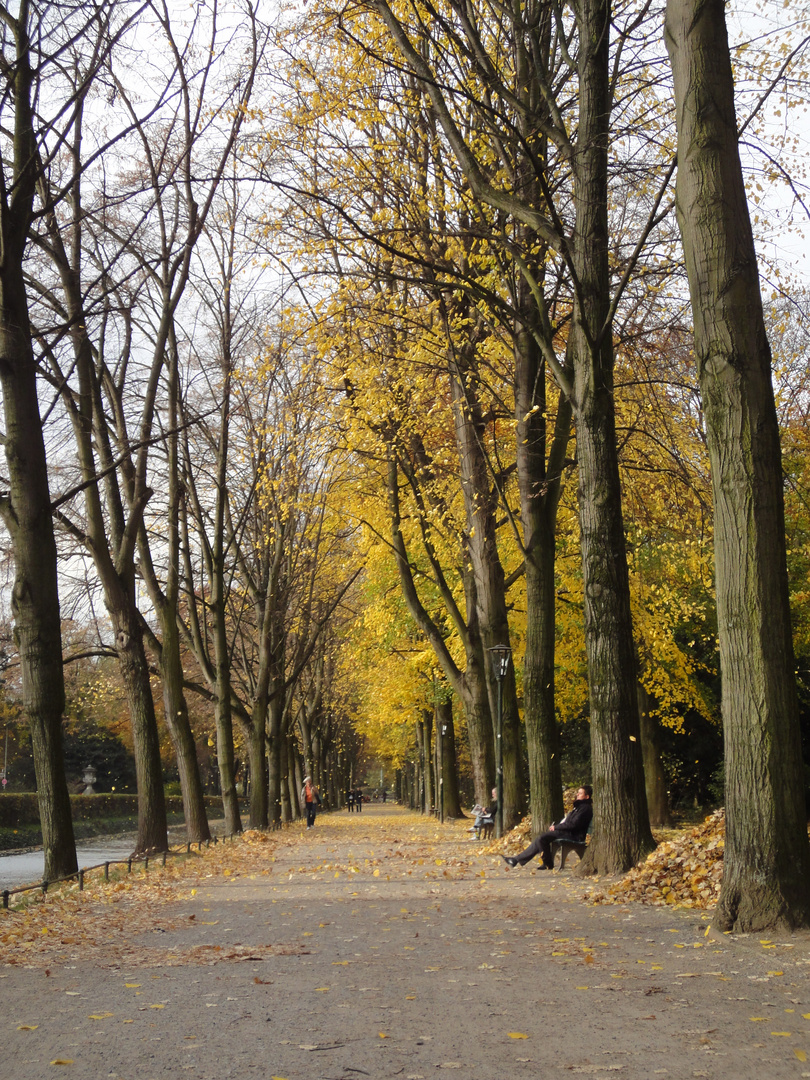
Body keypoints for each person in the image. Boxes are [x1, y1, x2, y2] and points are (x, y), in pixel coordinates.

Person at [502, 786, 592, 869]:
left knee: (542, 838)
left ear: (587, 796)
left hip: (574, 835)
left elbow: (573, 825)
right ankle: (518, 860)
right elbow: (570, 823)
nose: (577, 794)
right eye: (578, 793)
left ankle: (546, 863)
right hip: (569, 833)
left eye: (580, 793)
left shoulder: (584, 808)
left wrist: (556, 827)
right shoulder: (579, 807)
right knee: (541, 838)